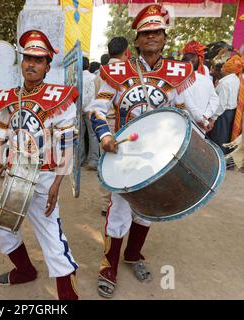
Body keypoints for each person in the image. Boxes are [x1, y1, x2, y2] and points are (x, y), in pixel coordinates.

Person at [86, 4, 196, 298]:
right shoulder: (117, 71)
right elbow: (97, 110)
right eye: (145, 33)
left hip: (160, 158)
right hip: (124, 155)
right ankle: (108, 265)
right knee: (119, 211)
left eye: (157, 32)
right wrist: (106, 136)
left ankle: (133, 255)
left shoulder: (175, 74)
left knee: (147, 211)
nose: (151, 37)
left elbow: (181, 112)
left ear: (164, 37)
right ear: (136, 40)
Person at [0, 30, 79, 300]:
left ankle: (68, 298)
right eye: (27, 57)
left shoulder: (60, 99)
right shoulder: (8, 98)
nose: (31, 64)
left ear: (48, 66)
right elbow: (4, 133)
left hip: (45, 177)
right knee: (2, 226)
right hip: (16, 174)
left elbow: (66, 144)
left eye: (38, 60)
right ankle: (25, 270)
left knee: (52, 238)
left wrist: (58, 184)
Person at [94, 36, 130, 216]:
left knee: (106, 163)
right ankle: (120, 201)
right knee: (122, 162)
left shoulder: (100, 72)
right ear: (126, 52)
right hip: (119, 123)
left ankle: (105, 204)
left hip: (102, 124)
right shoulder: (125, 72)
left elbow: (97, 103)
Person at [181, 41, 219, 134]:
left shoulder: (180, 81)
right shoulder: (207, 81)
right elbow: (215, 100)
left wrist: (201, 118)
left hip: (183, 125)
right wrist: (205, 116)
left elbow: (188, 101)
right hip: (201, 127)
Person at [208, 55, 242, 156]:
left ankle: (218, 159)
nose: (221, 69)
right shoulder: (235, 79)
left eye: (223, 67)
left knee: (219, 137)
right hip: (230, 113)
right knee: (225, 136)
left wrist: (213, 119)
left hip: (223, 113)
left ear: (228, 69)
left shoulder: (225, 83)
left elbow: (222, 104)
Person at [82, 56, 99, 170]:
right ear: (88, 66)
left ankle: (80, 159)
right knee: (92, 135)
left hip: (78, 110)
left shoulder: (75, 77)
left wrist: (80, 106)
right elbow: (90, 95)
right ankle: (93, 161)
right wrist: (84, 106)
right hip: (90, 109)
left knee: (80, 136)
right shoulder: (93, 77)